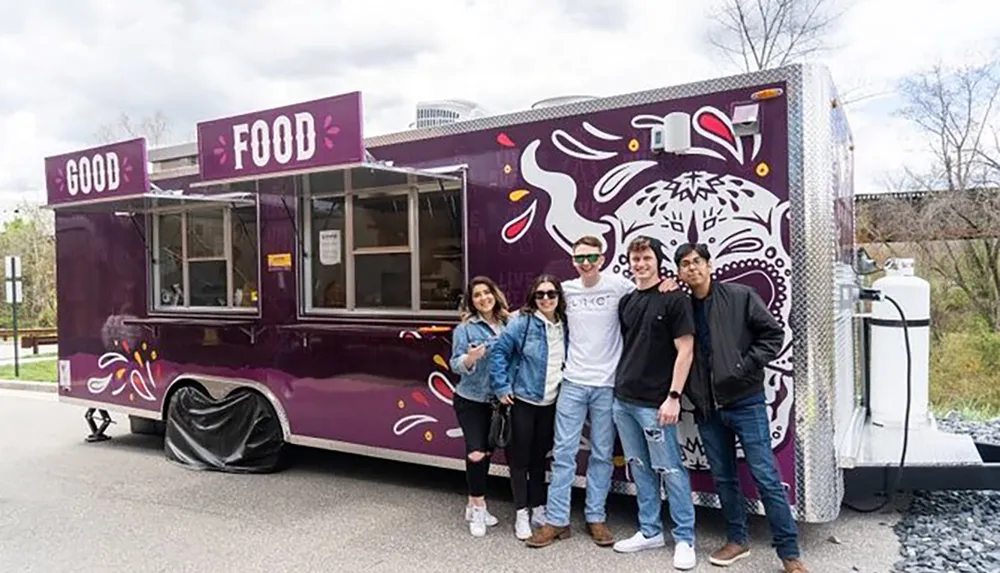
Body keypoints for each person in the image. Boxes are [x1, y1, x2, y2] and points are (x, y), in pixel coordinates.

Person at [527, 235, 675, 549]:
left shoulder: (620, 286)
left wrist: (669, 283)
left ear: (602, 258)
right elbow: (533, 308)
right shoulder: (565, 290)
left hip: (608, 385)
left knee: (602, 455)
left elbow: (649, 288)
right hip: (573, 382)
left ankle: (596, 517)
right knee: (564, 453)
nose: (586, 263)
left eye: (591, 257)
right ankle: (557, 521)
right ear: (572, 261)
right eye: (579, 258)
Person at [673, 243, 808, 573]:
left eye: (697, 262)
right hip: (707, 407)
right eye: (685, 264)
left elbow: (773, 335)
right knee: (724, 479)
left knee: (766, 477)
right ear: (679, 272)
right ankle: (737, 540)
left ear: (708, 265)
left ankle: (790, 555)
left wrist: (743, 366)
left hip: (745, 401)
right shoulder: (682, 307)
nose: (692, 268)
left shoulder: (739, 296)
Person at [611, 236, 697, 571]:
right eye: (635, 259)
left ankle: (685, 538)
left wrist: (673, 396)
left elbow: (685, 350)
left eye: (646, 258)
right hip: (624, 400)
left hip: (656, 403)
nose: (640, 264)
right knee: (641, 468)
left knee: (671, 470)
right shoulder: (628, 302)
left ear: (658, 261)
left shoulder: (675, 299)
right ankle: (649, 531)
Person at [489, 274, 569, 540]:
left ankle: (538, 508)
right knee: (520, 460)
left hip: (551, 402)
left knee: (539, 459)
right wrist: (502, 388)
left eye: (551, 294)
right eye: (540, 294)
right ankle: (521, 513)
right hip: (524, 400)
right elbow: (499, 352)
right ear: (533, 298)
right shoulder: (522, 323)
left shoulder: (564, 323)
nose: (546, 299)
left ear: (559, 297)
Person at [449, 276, 511, 537]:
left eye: (487, 293)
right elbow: (455, 363)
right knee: (475, 452)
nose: (483, 298)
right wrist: (469, 359)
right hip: (470, 400)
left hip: (497, 403)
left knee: (486, 453)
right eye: (477, 295)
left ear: (494, 295)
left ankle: (474, 502)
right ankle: (478, 506)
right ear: (471, 301)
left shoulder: (509, 324)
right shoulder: (465, 329)